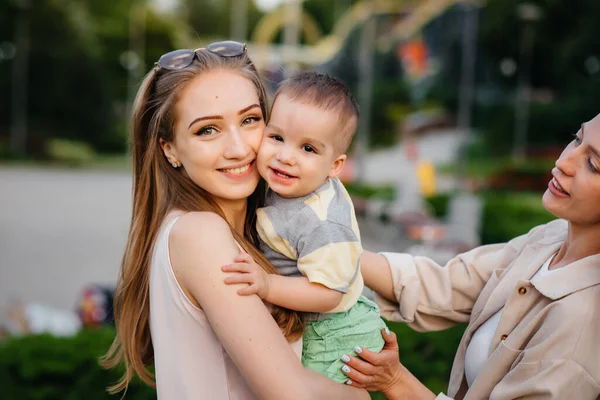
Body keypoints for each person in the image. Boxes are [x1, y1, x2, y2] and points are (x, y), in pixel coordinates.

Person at [101, 41, 369, 400]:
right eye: (207, 130)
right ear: (171, 150)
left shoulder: (255, 233)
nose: (239, 148)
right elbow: (293, 394)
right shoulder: (201, 234)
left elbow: (359, 268)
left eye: (250, 120)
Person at [338, 115, 600, 399]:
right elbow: (446, 283)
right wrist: (330, 250)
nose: (564, 162)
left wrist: (396, 381)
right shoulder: (549, 239)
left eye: (593, 164)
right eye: (576, 138)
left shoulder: (583, 322)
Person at [222, 72, 387, 383]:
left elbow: (327, 294)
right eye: (277, 138)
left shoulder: (323, 222)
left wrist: (268, 285)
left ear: (335, 166)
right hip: (308, 318)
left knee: (297, 388)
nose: (286, 157)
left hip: (331, 331)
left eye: (308, 149)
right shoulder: (286, 185)